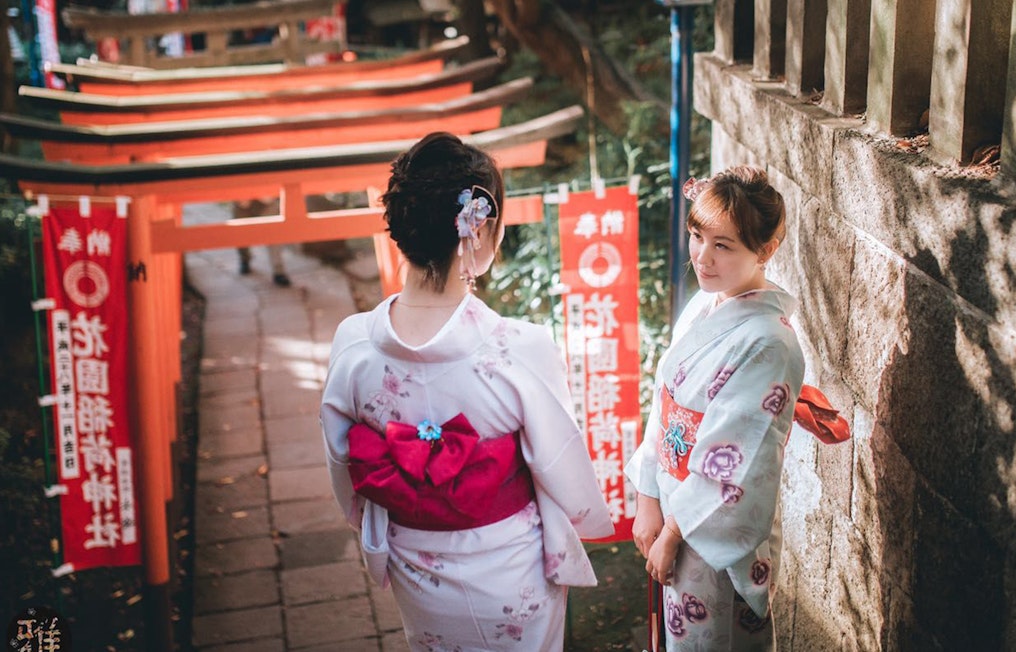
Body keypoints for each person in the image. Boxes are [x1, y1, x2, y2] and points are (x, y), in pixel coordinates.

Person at [320, 132, 614, 650]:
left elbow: (346, 474)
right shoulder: (520, 347)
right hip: (509, 566)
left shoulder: (354, 346)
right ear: (478, 231)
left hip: (414, 563)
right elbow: (563, 470)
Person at [625, 166, 803, 651]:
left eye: (723, 245)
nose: (702, 257)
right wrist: (647, 499)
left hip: (705, 534)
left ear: (765, 250)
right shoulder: (706, 306)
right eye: (697, 236)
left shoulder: (770, 342)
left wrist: (672, 534)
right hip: (671, 509)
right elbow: (665, 405)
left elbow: (734, 458)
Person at [233, 198, 291, 287]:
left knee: (275, 233)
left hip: (267, 199)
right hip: (243, 198)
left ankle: (278, 271)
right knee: (240, 232)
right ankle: (245, 258)